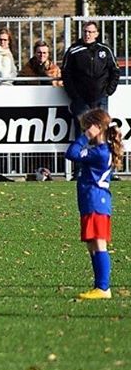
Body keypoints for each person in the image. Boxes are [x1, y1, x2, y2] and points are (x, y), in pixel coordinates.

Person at [64, 109, 124, 300]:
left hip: (96, 201)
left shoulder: (100, 152)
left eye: (86, 128)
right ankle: (99, 286)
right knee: (92, 245)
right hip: (90, 201)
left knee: (98, 243)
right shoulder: (99, 150)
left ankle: (103, 288)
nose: (85, 131)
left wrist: (85, 137)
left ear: (96, 127)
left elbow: (71, 153)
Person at [62, 21, 120, 117]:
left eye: (90, 32)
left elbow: (115, 70)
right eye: (85, 31)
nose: (87, 34)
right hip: (81, 100)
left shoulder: (105, 50)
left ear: (96, 34)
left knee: (100, 125)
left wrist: (109, 90)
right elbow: (65, 73)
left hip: (100, 97)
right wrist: (74, 94)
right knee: (82, 126)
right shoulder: (73, 50)